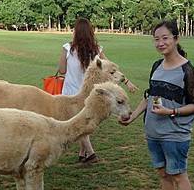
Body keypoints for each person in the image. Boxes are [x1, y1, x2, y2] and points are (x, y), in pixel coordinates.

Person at [120, 17, 194, 190]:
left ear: (176, 39)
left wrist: (171, 112)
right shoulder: (157, 66)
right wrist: (132, 116)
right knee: (163, 173)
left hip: (175, 133)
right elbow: (149, 97)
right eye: (156, 39)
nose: (160, 43)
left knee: (178, 175)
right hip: (154, 131)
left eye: (165, 38)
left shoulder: (187, 70)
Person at [58, 16, 137, 164]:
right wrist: (127, 81)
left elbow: (62, 70)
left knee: (78, 124)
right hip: (89, 94)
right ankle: (84, 153)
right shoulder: (97, 50)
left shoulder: (67, 48)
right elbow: (111, 69)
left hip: (71, 94)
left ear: (75, 31)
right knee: (83, 122)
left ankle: (90, 154)